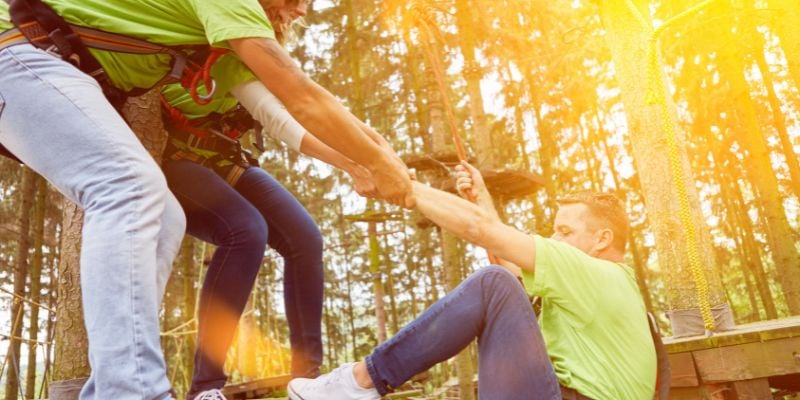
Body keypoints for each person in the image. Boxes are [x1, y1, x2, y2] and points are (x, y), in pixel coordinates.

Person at [0, 1, 411, 398]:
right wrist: (368, 162)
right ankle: (139, 391)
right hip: (21, 49)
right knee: (131, 187)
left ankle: (114, 389)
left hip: (49, 65)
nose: (302, 9)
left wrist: (380, 158)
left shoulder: (229, 42)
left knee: (165, 217)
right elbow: (299, 97)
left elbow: (295, 105)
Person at [288, 161, 657, 400]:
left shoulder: (593, 272)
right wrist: (480, 197)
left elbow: (484, 235)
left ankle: (362, 381)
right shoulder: (611, 286)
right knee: (501, 285)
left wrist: (407, 188)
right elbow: (512, 269)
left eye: (564, 231)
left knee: (493, 283)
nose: (554, 240)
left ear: (602, 240)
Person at [158, 1, 378, 398]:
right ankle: (205, 387)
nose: (302, 12)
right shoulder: (232, 34)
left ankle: (307, 379)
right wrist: (350, 163)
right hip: (173, 160)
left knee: (305, 239)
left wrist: (365, 152)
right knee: (246, 231)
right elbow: (279, 119)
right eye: (296, 2)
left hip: (224, 160)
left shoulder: (263, 49)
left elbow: (292, 109)